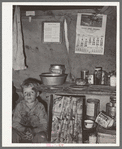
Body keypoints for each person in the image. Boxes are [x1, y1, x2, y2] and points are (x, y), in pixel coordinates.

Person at [12, 78, 48, 143]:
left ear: (37, 94)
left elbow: (45, 125)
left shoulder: (40, 107)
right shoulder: (19, 106)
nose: (28, 95)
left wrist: (33, 131)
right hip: (21, 132)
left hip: (36, 132)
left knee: (42, 136)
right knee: (12, 134)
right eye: (25, 92)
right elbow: (15, 123)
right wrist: (24, 130)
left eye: (31, 92)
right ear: (22, 94)